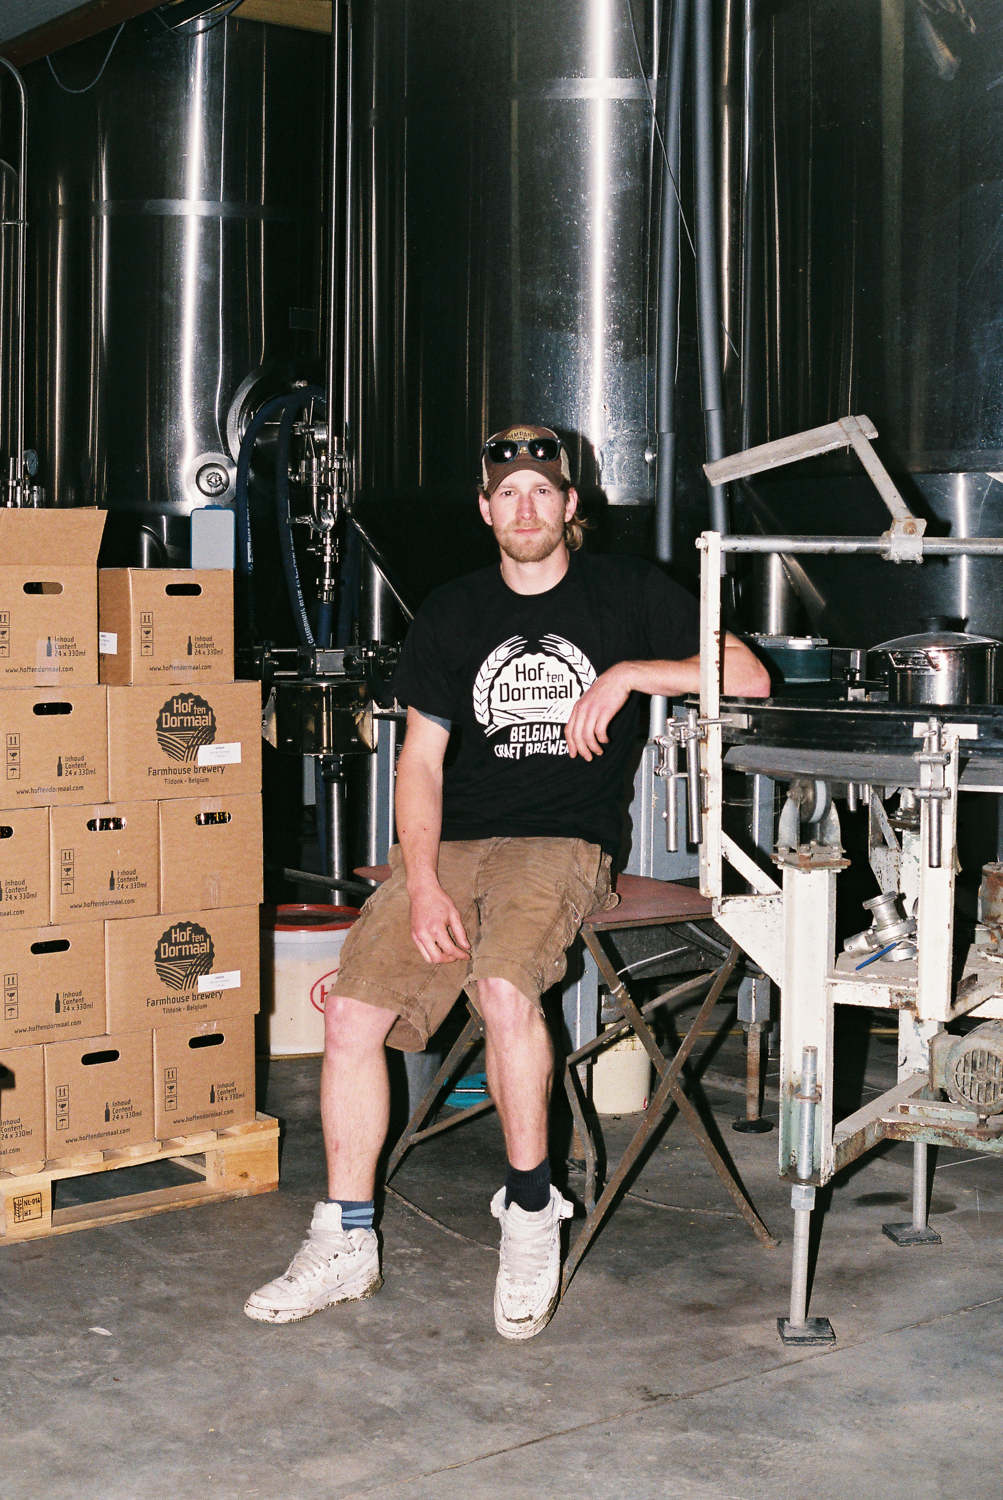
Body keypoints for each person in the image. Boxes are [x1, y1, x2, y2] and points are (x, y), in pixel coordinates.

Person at [245, 425, 770, 1339]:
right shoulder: (452, 610)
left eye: (541, 491)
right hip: (452, 844)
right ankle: (345, 1237)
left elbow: (749, 678)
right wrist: (421, 880)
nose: (525, 508)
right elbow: (420, 763)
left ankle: (530, 1215)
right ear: (485, 511)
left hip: (561, 842)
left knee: (501, 990)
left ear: (570, 506)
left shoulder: (625, 591)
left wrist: (629, 674)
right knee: (352, 1013)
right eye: (507, 494)